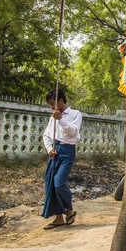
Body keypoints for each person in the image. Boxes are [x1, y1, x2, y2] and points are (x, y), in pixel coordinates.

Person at [42, 89, 82, 230]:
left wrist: (61, 119)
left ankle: (69, 208)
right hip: (55, 150)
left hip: (67, 152)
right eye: (49, 105)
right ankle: (58, 218)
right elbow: (46, 135)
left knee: (59, 184)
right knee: (51, 184)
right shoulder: (52, 117)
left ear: (60, 101)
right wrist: (49, 149)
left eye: (52, 104)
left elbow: (73, 132)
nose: (51, 107)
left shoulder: (75, 114)